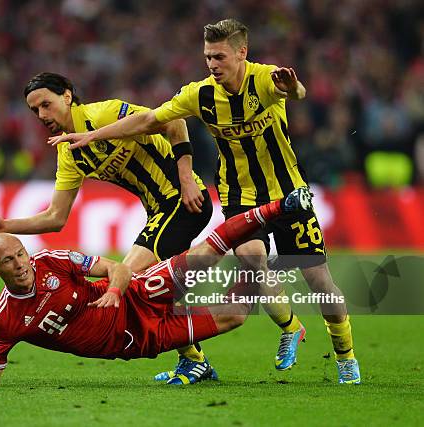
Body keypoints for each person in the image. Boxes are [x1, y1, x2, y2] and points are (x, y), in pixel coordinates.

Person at [47, 19, 360, 384]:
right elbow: (149, 119)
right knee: (251, 260)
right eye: (208, 56)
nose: (212, 63)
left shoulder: (264, 79)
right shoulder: (200, 94)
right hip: (239, 195)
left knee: (319, 280)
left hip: (288, 190)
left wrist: (294, 89)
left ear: (242, 53)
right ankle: (291, 328)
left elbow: (296, 91)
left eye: (220, 56)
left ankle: (345, 355)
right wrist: (93, 136)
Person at [0, 72, 216, 384]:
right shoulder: (68, 153)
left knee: (128, 278)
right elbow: (56, 217)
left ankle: (196, 355)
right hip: (158, 211)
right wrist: (5, 225)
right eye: (35, 111)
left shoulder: (104, 114)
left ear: (67, 96)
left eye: (46, 104)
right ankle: (199, 351)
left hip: (181, 200)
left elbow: (173, 122)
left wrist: (188, 177)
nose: (42, 115)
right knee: (157, 282)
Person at [0, 188, 312, 388]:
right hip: (140, 338)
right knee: (235, 316)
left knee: (204, 253)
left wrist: (115, 292)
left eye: (20, 254)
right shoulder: (4, 321)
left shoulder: (51, 260)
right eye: (9, 262)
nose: (20, 264)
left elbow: (115, 268)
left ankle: (284, 206)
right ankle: (259, 268)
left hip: (138, 292)